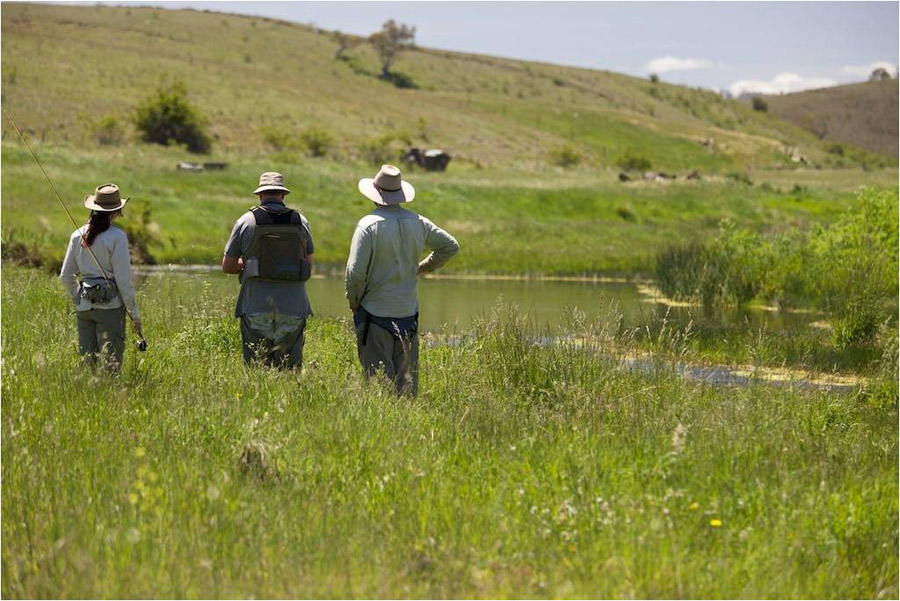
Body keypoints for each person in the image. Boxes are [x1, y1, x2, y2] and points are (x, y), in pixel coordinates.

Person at [345, 164, 459, 396]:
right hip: (408, 313)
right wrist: (421, 268)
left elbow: (355, 273)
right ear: (399, 194)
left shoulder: (368, 225)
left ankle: (385, 427)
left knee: (378, 384)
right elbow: (450, 246)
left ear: (375, 194)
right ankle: (407, 425)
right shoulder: (418, 222)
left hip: (374, 312)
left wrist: (354, 301)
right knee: (406, 384)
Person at [223, 172, 314, 368]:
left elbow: (227, 266)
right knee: (289, 373)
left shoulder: (246, 221)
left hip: (255, 306)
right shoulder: (301, 221)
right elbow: (309, 264)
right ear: (283, 195)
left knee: (256, 371)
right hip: (293, 307)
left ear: (260, 195)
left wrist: (245, 264)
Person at [60, 183, 142, 373]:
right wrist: (134, 314)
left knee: (88, 367)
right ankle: (111, 400)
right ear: (117, 211)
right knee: (110, 367)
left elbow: (66, 276)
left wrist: (80, 296)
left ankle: (88, 399)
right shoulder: (117, 237)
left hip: (84, 308)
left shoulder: (76, 235)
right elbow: (123, 281)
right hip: (111, 309)